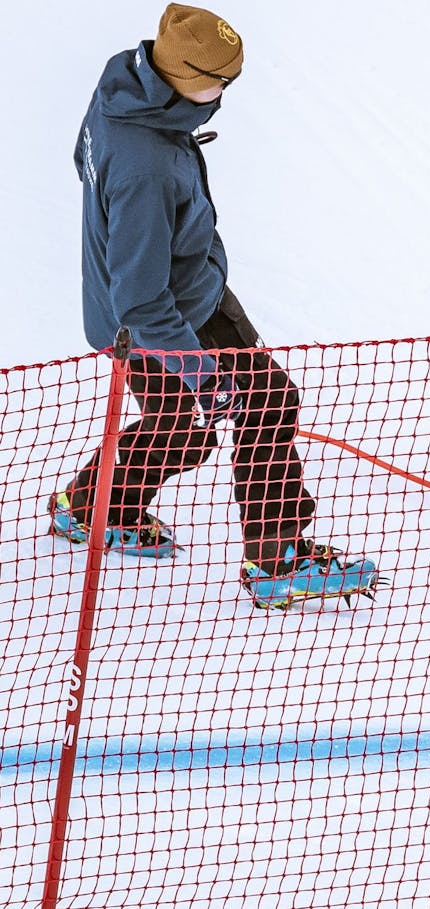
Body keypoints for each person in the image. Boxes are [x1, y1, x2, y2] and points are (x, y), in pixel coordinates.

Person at [53, 4, 379, 610]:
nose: (225, 92)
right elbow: (141, 298)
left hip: (180, 296)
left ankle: (91, 506)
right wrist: (201, 373)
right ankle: (279, 559)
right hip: (158, 324)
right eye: (219, 81)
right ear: (183, 74)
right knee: (265, 398)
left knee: (181, 429)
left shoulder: (124, 85)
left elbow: (84, 161)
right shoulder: (145, 166)